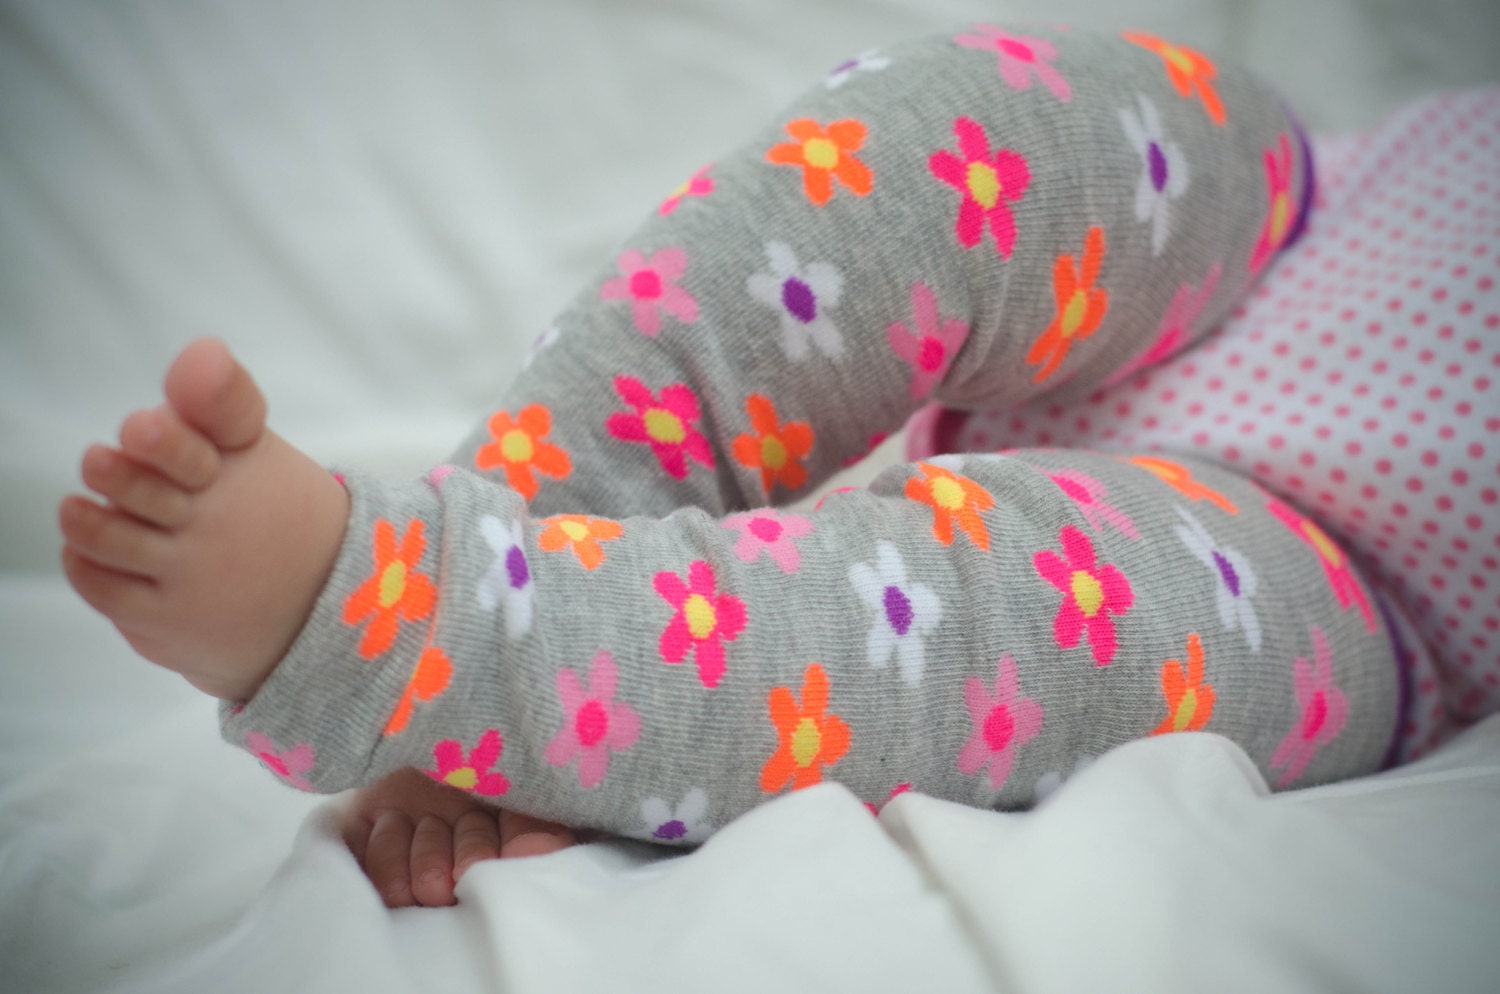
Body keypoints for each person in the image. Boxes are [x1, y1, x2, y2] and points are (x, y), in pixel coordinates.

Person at [58, 24, 1495, 910]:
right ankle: (491, 548)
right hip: (1301, 211)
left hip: (1359, 589)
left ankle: (425, 635)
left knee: (972, 644)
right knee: (932, 155)